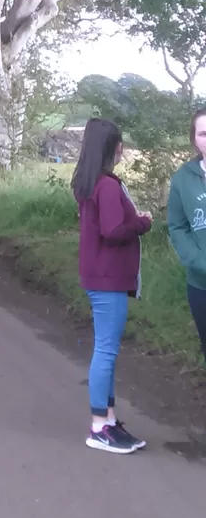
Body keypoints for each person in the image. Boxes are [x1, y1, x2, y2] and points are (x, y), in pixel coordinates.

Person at [74, 116, 152, 454]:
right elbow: (114, 229)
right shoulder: (106, 186)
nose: (123, 149)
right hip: (108, 280)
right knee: (105, 351)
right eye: (120, 143)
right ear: (113, 147)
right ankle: (98, 427)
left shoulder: (90, 182)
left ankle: (108, 419)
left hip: (102, 277)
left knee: (107, 351)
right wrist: (143, 222)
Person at [167, 107, 206, 366]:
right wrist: (198, 261)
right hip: (201, 284)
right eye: (203, 133)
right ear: (194, 139)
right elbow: (178, 227)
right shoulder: (183, 179)